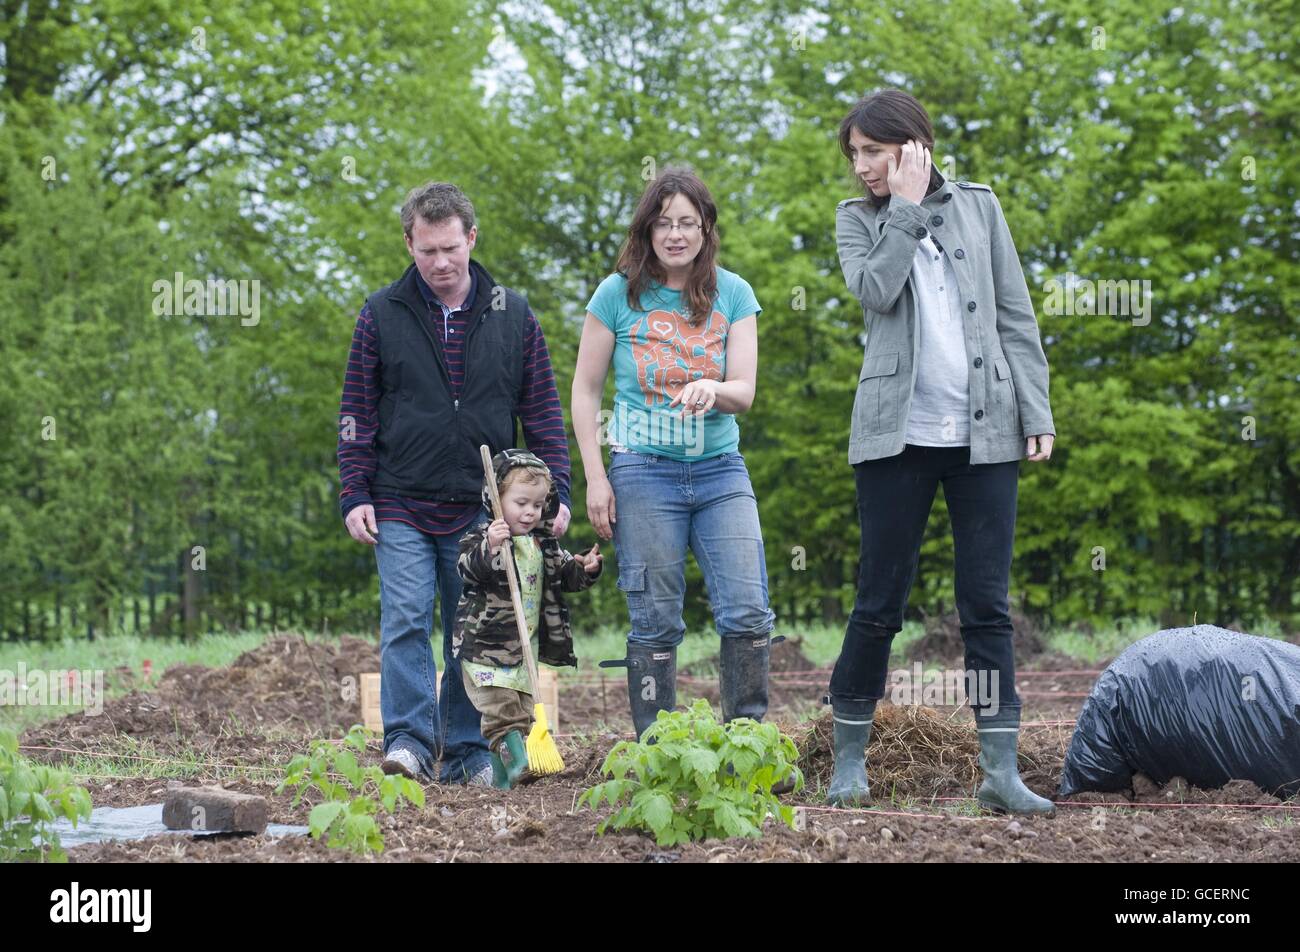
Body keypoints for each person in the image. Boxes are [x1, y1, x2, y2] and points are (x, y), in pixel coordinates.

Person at [827, 89, 1057, 814]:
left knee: (986, 607)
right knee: (878, 604)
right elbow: (875, 290)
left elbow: (1015, 314)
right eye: (855, 154)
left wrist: (1036, 408)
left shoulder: (981, 206)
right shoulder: (857, 221)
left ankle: (1000, 773)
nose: (863, 166)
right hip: (896, 440)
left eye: (874, 151)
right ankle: (849, 761)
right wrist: (904, 207)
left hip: (984, 435)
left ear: (913, 143)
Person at [337, 182, 573, 786]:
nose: (440, 264)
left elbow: (543, 411)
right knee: (407, 619)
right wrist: (355, 492)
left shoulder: (513, 315)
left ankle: (467, 751)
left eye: (450, 248)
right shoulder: (381, 313)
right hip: (400, 499)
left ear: (472, 237)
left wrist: (558, 493)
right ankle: (411, 743)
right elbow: (357, 410)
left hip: (481, 504)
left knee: (471, 629)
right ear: (409, 245)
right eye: (426, 251)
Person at [570, 166, 779, 740]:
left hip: (720, 472)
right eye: (664, 223)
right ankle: (658, 749)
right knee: (655, 617)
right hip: (642, 472)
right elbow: (585, 390)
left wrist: (714, 389)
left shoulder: (734, 294)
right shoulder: (616, 294)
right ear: (647, 230)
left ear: (707, 229)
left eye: (688, 222)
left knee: (746, 608)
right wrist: (595, 477)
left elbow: (745, 391)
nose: (676, 234)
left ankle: (747, 741)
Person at [453, 449, 602, 789]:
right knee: (502, 712)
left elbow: (566, 577)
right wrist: (490, 547)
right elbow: (466, 570)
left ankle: (503, 783)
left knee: (521, 714)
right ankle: (520, 763)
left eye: (537, 505)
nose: (530, 512)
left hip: (523, 654)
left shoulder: (543, 545)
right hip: (485, 649)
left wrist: (584, 569)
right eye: (521, 503)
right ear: (496, 499)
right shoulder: (482, 538)